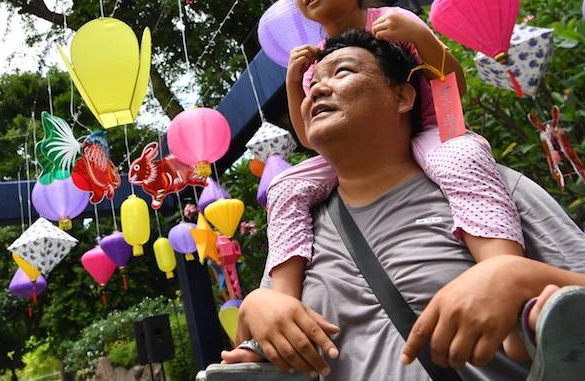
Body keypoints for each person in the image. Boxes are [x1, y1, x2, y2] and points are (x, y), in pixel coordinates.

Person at [220, 32, 585, 379]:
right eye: (312, 84)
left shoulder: (488, 184)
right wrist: (255, 309)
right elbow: (264, 354)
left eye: (343, 71)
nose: (318, 89)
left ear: (403, 97)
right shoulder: (298, 226)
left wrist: (519, 276)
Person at [264, 0, 528, 355]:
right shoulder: (312, 61)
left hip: (422, 132)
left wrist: (421, 37)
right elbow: (306, 138)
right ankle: (282, 301)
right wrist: (294, 82)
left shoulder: (392, 20)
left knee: (460, 156)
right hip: (344, 154)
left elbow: (450, 87)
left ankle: (506, 279)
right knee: (284, 188)